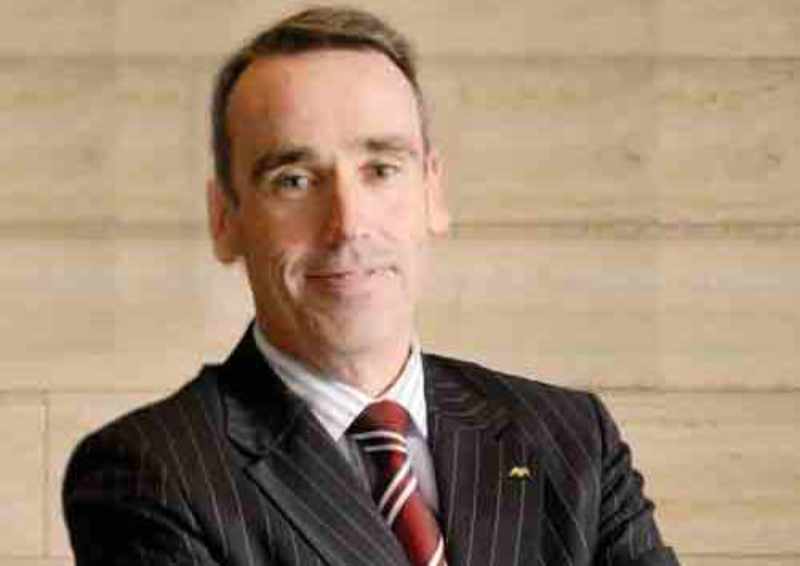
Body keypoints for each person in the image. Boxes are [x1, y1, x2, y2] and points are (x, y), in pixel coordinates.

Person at [63, 6, 679, 566]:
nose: (348, 223)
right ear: (225, 220)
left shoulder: (572, 440)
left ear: (432, 193)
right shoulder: (148, 474)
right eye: (294, 180)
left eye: (381, 169)